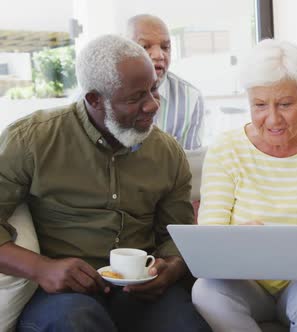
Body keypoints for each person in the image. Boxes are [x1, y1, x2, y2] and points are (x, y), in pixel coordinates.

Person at [0, 34, 210, 332]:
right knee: (75, 323)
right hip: (65, 294)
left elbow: (176, 233)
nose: (152, 106)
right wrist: (41, 268)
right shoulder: (32, 140)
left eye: (154, 90)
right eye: (135, 98)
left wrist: (172, 268)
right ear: (94, 100)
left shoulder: (166, 151)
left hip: (141, 291)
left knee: (189, 326)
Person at [192, 39, 297, 332]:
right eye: (259, 105)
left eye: (285, 104)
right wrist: (232, 240)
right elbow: (212, 231)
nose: (272, 119)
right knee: (206, 291)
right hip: (244, 283)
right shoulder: (226, 149)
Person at [127, 14, 205, 150]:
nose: (159, 55)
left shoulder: (191, 98)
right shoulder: (99, 94)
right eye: (145, 46)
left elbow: (190, 165)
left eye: (165, 47)